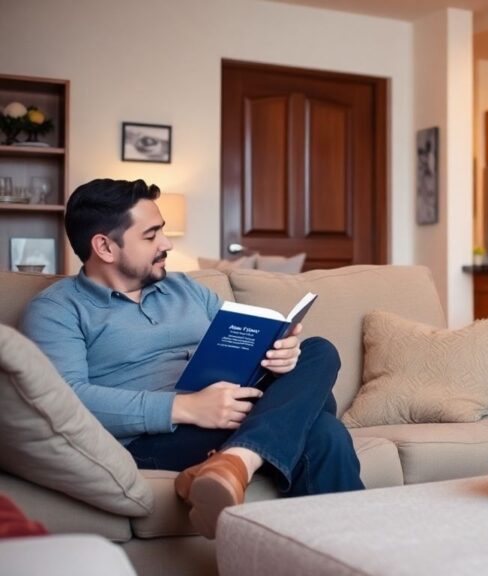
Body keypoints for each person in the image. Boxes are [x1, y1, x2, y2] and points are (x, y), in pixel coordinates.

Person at [20, 179, 364, 538]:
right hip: (154, 438)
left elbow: (243, 339)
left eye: (162, 231)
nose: (166, 244)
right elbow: (65, 401)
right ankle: (360, 552)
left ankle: (235, 462)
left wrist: (280, 358)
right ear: (105, 246)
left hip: (234, 407)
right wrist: (185, 408)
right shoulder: (58, 309)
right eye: (151, 235)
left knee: (318, 350)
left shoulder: (183, 288)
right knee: (323, 430)